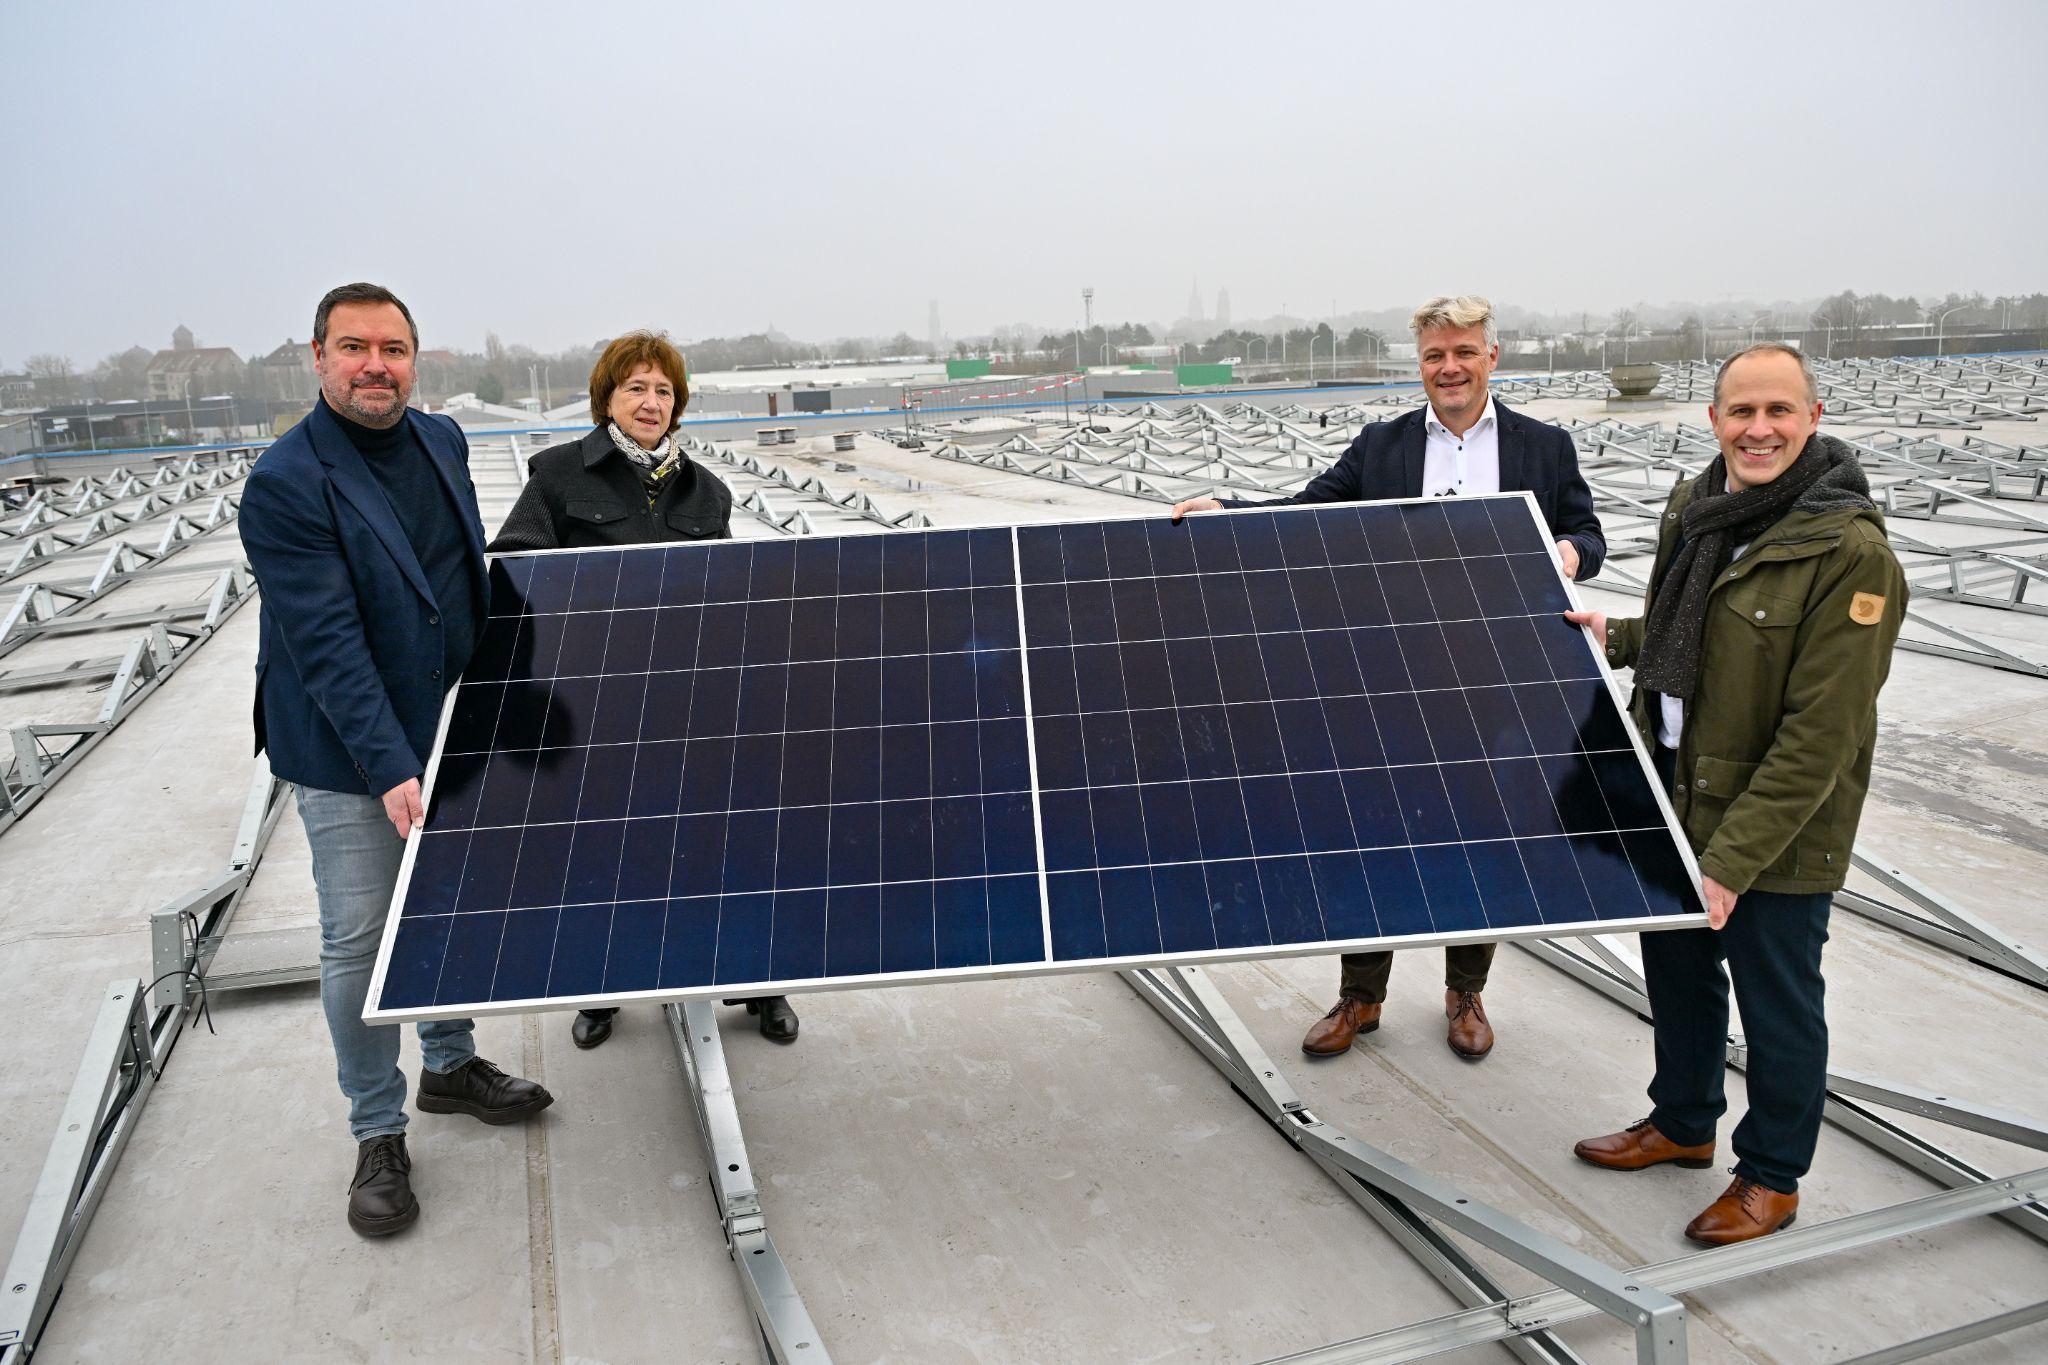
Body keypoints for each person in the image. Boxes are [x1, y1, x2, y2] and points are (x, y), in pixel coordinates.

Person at [1171, 295, 1605, 1062]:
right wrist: (1227, 511)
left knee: (1485, 825)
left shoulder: (1543, 446)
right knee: (1375, 826)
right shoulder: (1384, 447)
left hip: (1501, 669)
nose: (1450, 367)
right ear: (1421, 365)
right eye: (1436, 355)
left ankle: (1464, 990)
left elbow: (1586, 532)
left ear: (1491, 358)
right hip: (1394, 669)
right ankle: (1360, 996)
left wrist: (1566, 553)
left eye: (1464, 352)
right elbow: (1308, 515)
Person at [1566, 343, 1905, 1246]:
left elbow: (1817, 740)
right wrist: (1622, 632)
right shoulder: (1702, 504)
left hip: (1776, 827)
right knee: (1676, 974)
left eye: (1779, 412)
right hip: (1677, 789)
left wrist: (1729, 863)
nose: (1759, 429)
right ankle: (1681, 1122)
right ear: (1714, 419)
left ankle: (1771, 1177)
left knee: (1777, 999)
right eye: (1741, 412)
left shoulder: (1849, 551)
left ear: (1813, 419)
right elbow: (1701, 632)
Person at [241, 283, 553, 1239]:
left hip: (448, 722)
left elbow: (468, 575)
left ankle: (450, 1064)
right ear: (318, 355)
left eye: (394, 347)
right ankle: (377, 1130)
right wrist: (389, 764)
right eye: (355, 347)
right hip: (346, 748)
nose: (376, 364)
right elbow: (327, 643)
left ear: (416, 358)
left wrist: (516, 693)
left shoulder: (442, 439)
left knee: (445, 907)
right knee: (362, 938)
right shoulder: (287, 482)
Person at [489, 330, 801, 1050]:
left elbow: (725, 594)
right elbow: (516, 570)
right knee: (604, 847)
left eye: (664, 390)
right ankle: (600, 986)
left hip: (695, 702)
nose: (651, 401)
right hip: (599, 700)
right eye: (636, 387)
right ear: (607, 398)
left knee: (723, 842)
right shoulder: (559, 477)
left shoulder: (706, 490)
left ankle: (758, 982)